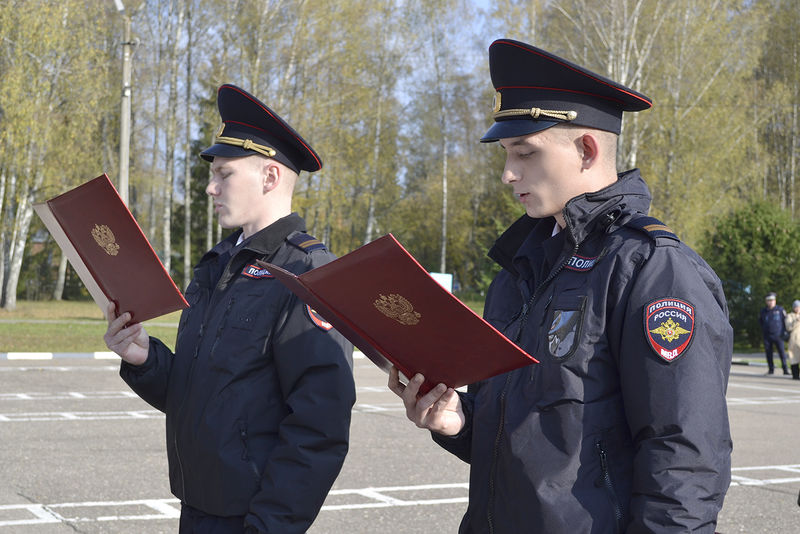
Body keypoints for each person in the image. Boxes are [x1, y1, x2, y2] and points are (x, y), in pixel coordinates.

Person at [389, 38, 733, 533]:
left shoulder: (652, 269)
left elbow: (684, 458)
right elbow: (527, 436)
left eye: (525, 153)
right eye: (507, 154)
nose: (508, 174)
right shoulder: (519, 270)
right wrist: (457, 421)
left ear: (587, 149)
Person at [103, 84, 356, 534]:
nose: (210, 187)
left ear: (270, 177)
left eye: (224, 173)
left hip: (251, 518)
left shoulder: (309, 274)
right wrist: (145, 357)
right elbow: (207, 396)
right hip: (197, 504)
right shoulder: (217, 264)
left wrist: (269, 526)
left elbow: (319, 427)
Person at [760, 292, 789, 375]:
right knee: (769, 353)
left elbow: (785, 322)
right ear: (766, 301)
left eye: (772, 300)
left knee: (782, 353)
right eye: (769, 300)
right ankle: (771, 369)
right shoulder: (763, 311)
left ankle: (785, 369)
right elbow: (761, 322)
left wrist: (785, 333)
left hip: (778, 335)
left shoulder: (780, 310)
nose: (771, 302)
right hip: (767, 336)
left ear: (775, 301)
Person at [785, 299, 800, 379]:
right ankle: (795, 375)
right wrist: (796, 321)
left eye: (799, 307)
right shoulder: (790, 316)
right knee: (794, 358)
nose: (797, 309)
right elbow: (788, 327)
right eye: (796, 307)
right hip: (793, 340)